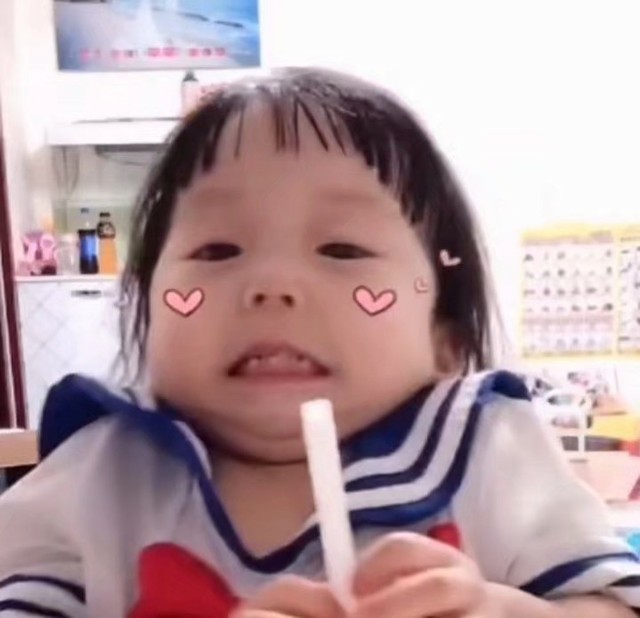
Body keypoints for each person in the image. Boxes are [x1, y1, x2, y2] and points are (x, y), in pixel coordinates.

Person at [0, 68, 638, 618]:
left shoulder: (490, 452)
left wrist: (501, 610)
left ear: (444, 338)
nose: (272, 284)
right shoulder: (97, 472)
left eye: (342, 248)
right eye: (216, 250)